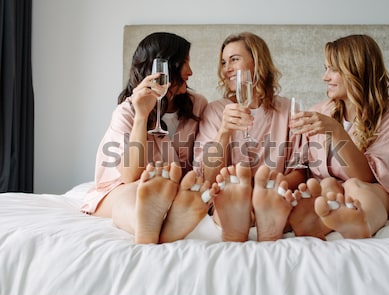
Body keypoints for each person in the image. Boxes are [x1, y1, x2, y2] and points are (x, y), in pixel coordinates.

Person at [287, 34, 389, 240]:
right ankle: (321, 219)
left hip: (375, 193)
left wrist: (336, 131)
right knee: (326, 186)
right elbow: (302, 168)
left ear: (356, 71)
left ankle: (359, 222)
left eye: (334, 70)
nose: (325, 77)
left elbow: (365, 177)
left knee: (355, 187)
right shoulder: (319, 112)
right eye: (326, 68)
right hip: (330, 190)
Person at [81, 32, 218, 244]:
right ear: (164, 68)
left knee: (188, 190)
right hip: (121, 188)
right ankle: (144, 225)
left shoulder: (197, 105)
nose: (190, 72)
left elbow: (202, 162)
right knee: (135, 192)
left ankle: (169, 224)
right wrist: (142, 116)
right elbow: (130, 175)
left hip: (172, 188)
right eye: (184, 63)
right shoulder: (126, 112)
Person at [194, 32, 301, 242]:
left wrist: (266, 189)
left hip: (273, 195)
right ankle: (241, 218)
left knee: (295, 206)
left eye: (234, 59)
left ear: (257, 62)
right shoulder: (216, 111)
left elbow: (300, 172)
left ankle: (259, 215)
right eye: (224, 63)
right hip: (229, 195)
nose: (227, 69)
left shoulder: (288, 109)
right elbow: (208, 177)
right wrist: (224, 132)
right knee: (227, 200)